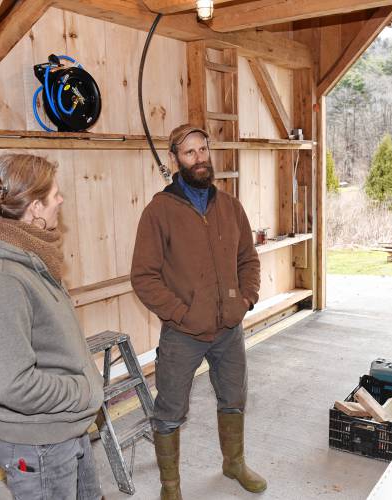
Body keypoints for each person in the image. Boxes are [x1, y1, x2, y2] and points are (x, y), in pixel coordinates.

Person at [0, 154, 105, 500]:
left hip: (64, 428)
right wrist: (83, 392)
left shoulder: (30, 259)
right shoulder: (1, 281)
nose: (60, 200)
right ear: (34, 208)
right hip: (40, 445)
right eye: (55, 194)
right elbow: (14, 386)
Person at [131, 124, 265, 499]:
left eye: (203, 150)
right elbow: (144, 276)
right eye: (189, 153)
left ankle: (234, 463)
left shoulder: (230, 206)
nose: (199, 159)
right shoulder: (159, 211)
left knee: (234, 397)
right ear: (174, 159)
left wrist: (245, 300)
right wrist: (181, 313)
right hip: (182, 333)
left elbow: (248, 260)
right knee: (170, 409)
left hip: (229, 328)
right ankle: (170, 486)